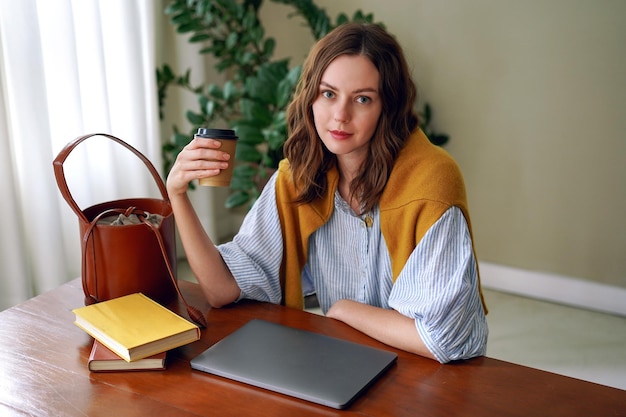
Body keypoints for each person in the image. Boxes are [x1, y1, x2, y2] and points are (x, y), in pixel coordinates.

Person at [166, 22, 488, 363]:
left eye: (362, 99)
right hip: (348, 361)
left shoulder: (431, 180)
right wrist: (178, 195)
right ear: (311, 97)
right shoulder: (300, 177)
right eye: (328, 94)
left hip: (435, 377)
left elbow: (442, 339)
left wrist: (344, 310)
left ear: (387, 108)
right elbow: (221, 289)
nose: (340, 116)